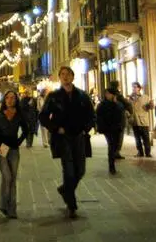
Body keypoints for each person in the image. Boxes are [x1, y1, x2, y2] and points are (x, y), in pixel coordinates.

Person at [39, 66, 95, 219]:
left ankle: (65, 189)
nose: (65, 77)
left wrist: (86, 129)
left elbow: (91, 115)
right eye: (62, 75)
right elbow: (43, 117)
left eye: (68, 74)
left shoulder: (82, 96)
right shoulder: (54, 97)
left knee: (80, 170)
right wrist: (56, 129)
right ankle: (71, 205)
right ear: (59, 78)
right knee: (69, 171)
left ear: (72, 77)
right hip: (62, 139)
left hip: (79, 137)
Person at [0, 90, 29, 218]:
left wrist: (19, 141)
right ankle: (4, 204)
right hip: (2, 148)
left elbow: (26, 130)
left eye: (13, 98)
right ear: (4, 100)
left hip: (14, 149)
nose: (10, 100)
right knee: (7, 177)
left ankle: (11, 210)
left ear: (16, 100)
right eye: (8, 98)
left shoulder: (19, 115)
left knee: (13, 179)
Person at [96, 87, 125, 174]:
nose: (107, 95)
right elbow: (98, 115)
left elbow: (121, 113)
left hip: (116, 128)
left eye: (109, 94)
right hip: (107, 129)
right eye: (106, 94)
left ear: (113, 95)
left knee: (115, 145)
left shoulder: (118, 104)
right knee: (111, 145)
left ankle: (112, 162)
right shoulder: (102, 104)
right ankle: (111, 166)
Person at [108, 80, 133, 160]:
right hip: (119, 118)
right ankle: (116, 152)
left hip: (110, 119)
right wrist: (130, 112)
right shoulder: (118, 95)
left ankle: (113, 152)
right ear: (117, 86)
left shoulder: (107, 94)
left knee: (112, 137)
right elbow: (127, 104)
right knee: (119, 136)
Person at [129, 82, 153, 157]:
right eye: (133, 87)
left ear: (139, 88)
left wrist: (150, 105)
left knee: (146, 137)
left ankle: (148, 152)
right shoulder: (130, 98)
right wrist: (129, 116)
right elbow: (127, 109)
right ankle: (140, 152)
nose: (134, 88)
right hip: (134, 120)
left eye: (135, 87)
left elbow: (150, 107)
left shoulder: (145, 97)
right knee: (137, 138)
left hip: (143, 120)